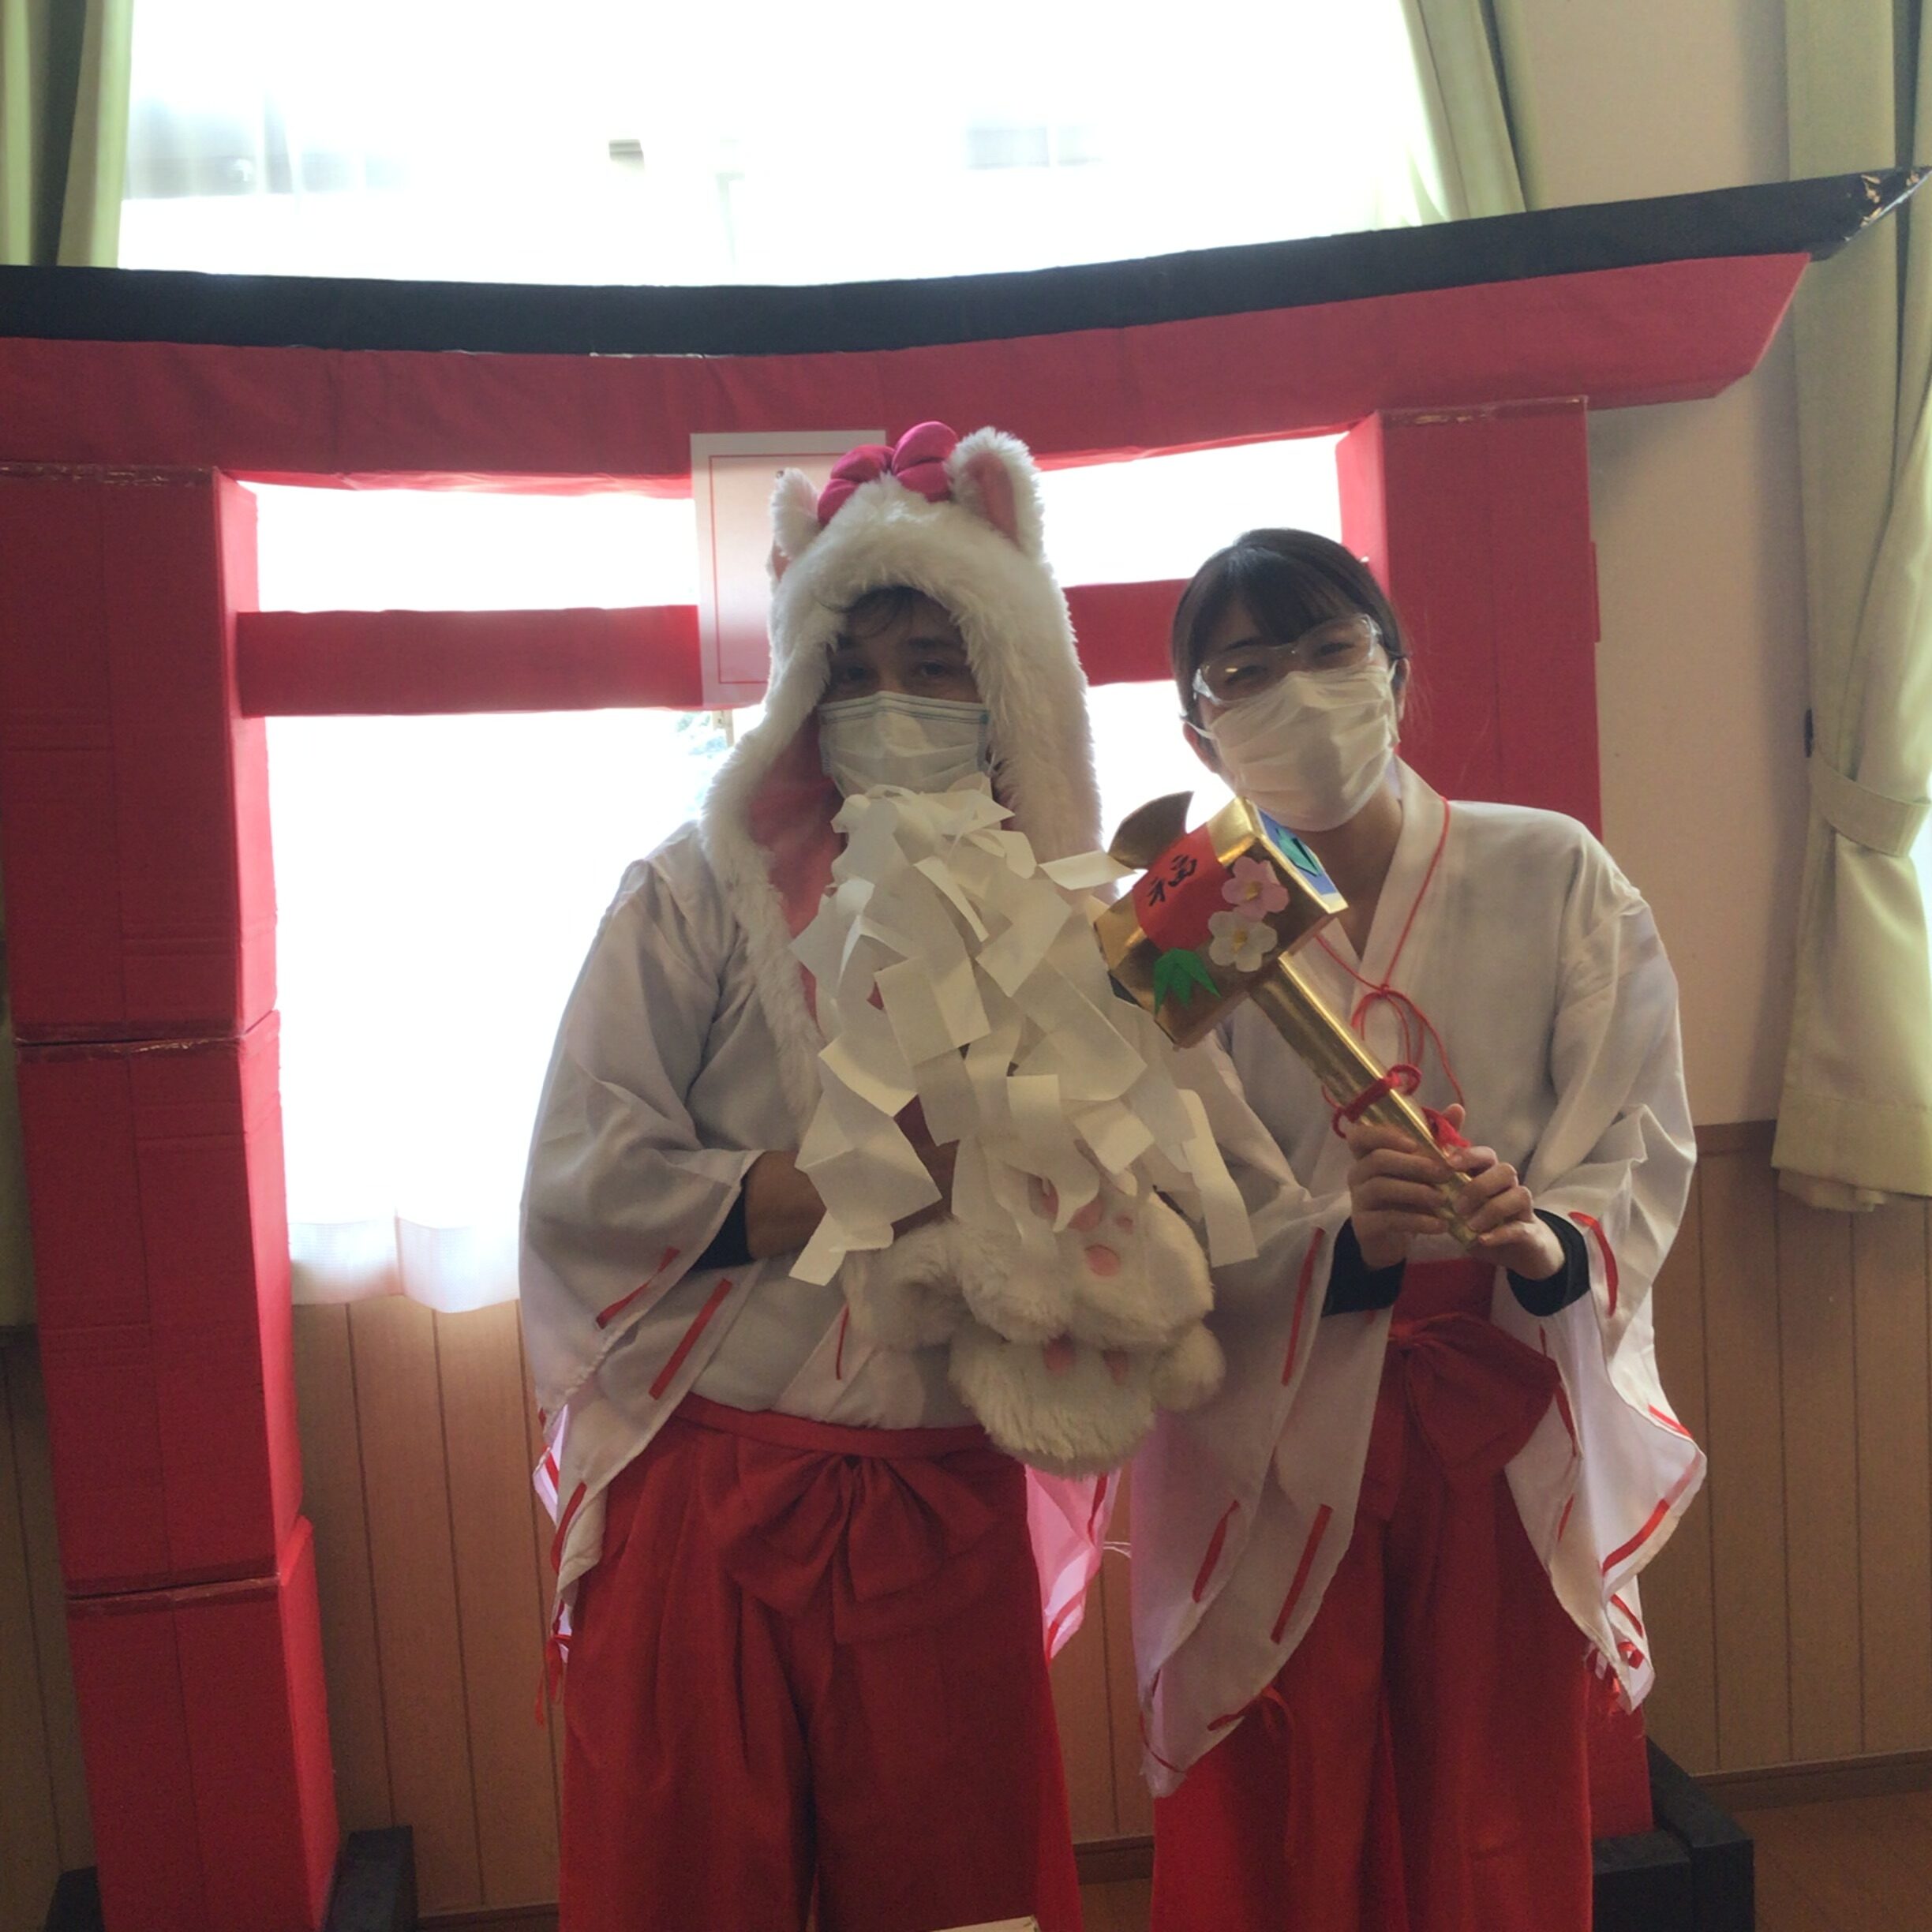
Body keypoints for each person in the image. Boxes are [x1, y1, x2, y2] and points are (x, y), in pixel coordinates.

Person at [520, 419, 1211, 1932]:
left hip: (941, 1504)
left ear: (1012, 683)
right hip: (709, 1493)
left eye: (937, 663)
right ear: (801, 684)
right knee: (687, 1899)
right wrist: (852, 1180)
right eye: (854, 666)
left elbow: (1167, 1181)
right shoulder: (692, 894)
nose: (891, 701)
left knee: (964, 1907)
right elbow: (584, 1174)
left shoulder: (1078, 922)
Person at [1132, 528, 1706, 1932]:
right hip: (1280, 1408)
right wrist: (1342, 1245)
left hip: (1493, 1397)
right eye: (1246, 671)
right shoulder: (1186, 912)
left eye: (1331, 648)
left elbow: (1637, 1128)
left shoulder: (1550, 869)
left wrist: (1545, 1234)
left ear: (1395, 670)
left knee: (1489, 1793)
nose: (1299, 688)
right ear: (1201, 734)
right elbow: (1163, 1175)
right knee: (1293, 1796)